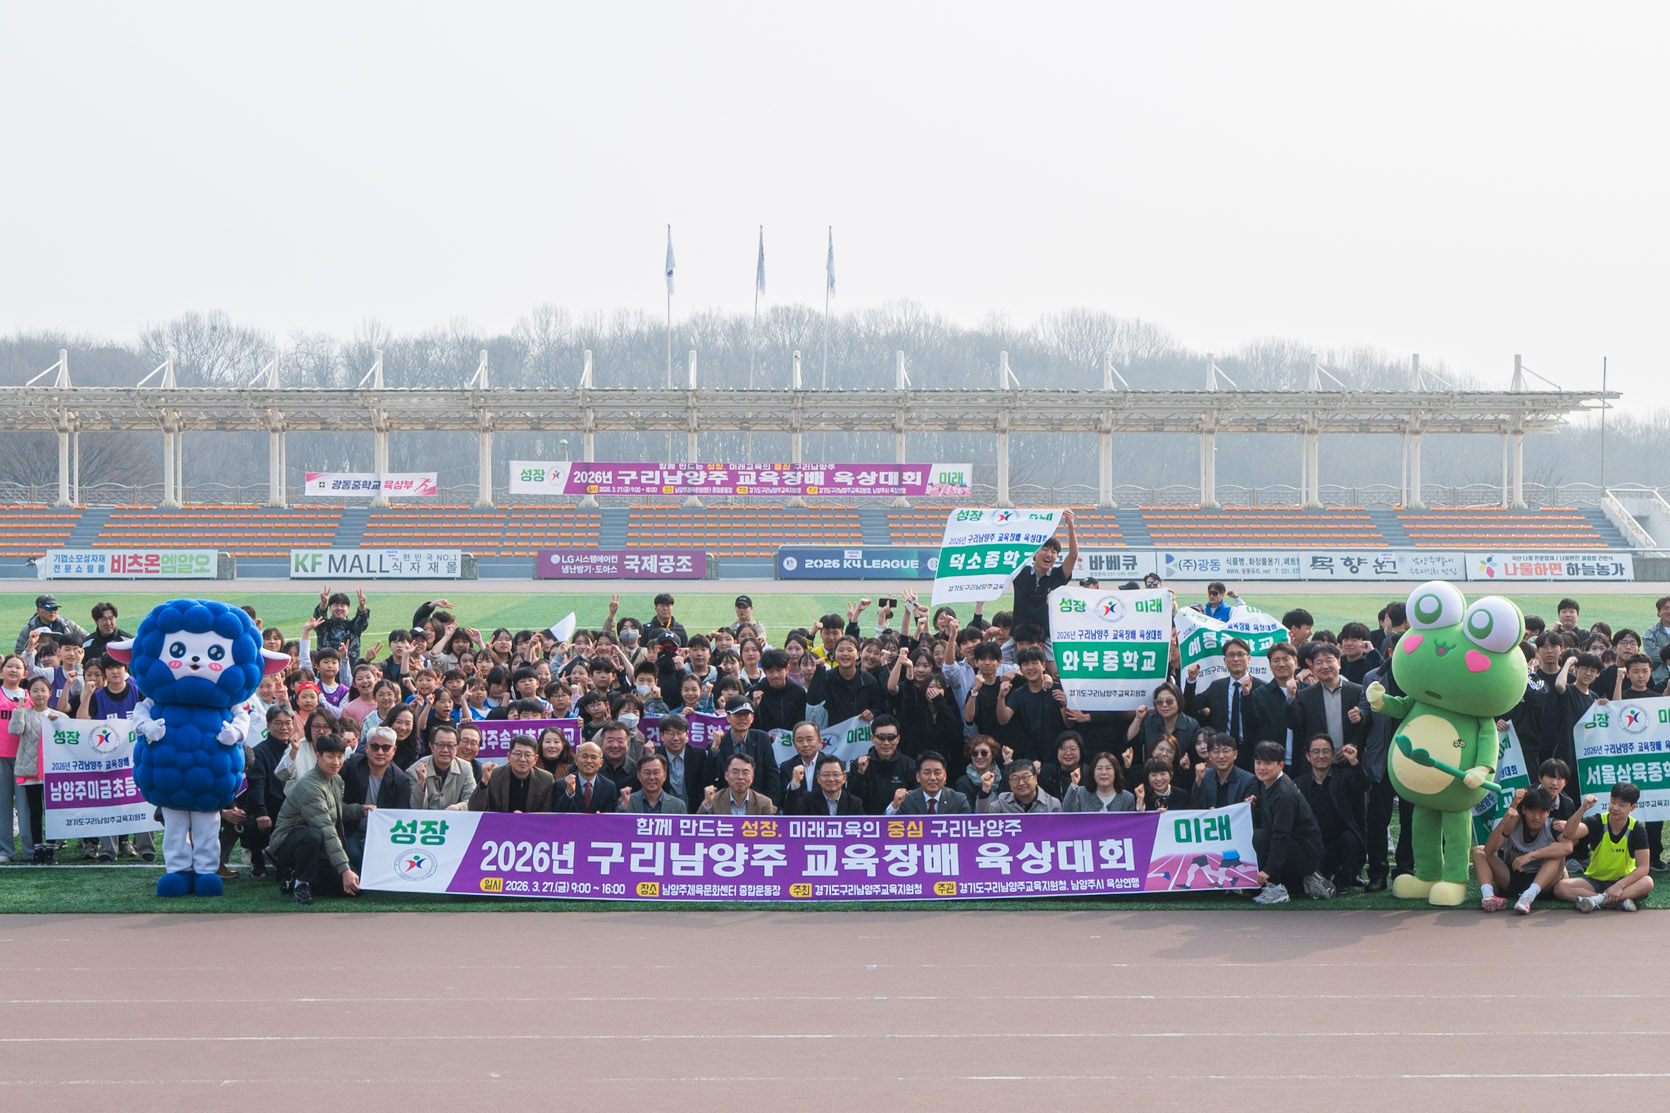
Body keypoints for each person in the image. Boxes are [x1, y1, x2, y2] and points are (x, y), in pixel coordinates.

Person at [266, 733, 369, 905]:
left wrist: (360, 810)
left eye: (339, 756)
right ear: (318, 756)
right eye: (330, 756)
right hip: (289, 843)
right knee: (312, 834)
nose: (336, 762)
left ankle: (293, 878)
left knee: (355, 889)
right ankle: (301, 884)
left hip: (316, 848)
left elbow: (336, 809)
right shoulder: (310, 786)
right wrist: (344, 870)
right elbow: (326, 828)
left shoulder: (335, 779)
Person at [1249, 740, 1332, 905]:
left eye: (1268, 763)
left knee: (1260, 838)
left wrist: (1268, 871)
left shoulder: (1283, 794)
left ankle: (1277, 889)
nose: (1262, 768)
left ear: (1281, 765)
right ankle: (1308, 880)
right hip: (1297, 847)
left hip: (1307, 853)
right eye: (1258, 763)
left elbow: (1280, 835)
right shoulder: (1269, 783)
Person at [1556, 783, 1655, 912]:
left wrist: (1619, 885)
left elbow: (1643, 867)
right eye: (1613, 802)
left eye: (1622, 805)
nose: (1615, 808)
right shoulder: (1598, 821)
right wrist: (1583, 809)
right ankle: (1616, 901)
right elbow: (1569, 833)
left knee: (1647, 882)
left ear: (1632, 807)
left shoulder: (1637, 829)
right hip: (1594, 880)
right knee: (1560, 887)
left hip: (1623, 881)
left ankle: (1595, 901)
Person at [1474, 787, 1570, 915]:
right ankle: (1488, 897)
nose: (1536, 817)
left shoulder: (1553, 825)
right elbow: (1489, 850)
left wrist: (1531, 856)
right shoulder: (1514, 823)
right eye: (1532, 811)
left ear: (1548, 813)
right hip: (1512, 877)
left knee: (1558, 854)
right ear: (1524, 810)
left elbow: (1567, 847)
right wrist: (1504, 820)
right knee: (1479, 851)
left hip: (1543, 883)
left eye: (1541, 812)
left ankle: (1528, 897)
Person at [1295, 733, 1369, 892]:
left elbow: (1363, 786)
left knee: (1351, 838)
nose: (1321, 756)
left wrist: (1354, 762)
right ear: (1308, 756)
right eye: (1315, 752)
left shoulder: (1344, 777)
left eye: (1326, 751)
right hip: (1313, 845)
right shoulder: (1298, 784)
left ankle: (1344, 882)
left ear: (1333, 755)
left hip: (1339, 843)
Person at [340, 725, 413, 869]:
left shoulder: (401, 780)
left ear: (394, 750)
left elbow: (401, 815)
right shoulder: (353, 764)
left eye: (386, 748)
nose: (380, 752)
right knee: (354, 854)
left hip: (383, 834)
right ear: (366, 747)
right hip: (353, 828)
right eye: (375, 747)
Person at [1186, 639, 1267, 769]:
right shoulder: (1217, 686)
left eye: (1240, 654)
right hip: (1221, 752)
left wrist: (1247, 695)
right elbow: (1190, 707)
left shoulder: (1262, 687)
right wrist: (1191, 681)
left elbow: (1258, 722)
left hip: (1251, 752)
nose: (1236, 659)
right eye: (1231, 655)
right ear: (1225, 660)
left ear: (1249, 658)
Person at [1285, 643, 1367, 764]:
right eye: (1318, 662)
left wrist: (1354, 745)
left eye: (1329, 661)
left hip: (1349, 761)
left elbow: (1366, 725)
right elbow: (1294, 725)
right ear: (1312, 666)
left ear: (1338, 662)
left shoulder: (1357, 691)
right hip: (1317, 765)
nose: (1325, 666)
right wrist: (1291, 697)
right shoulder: (1305, 695)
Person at [1009, 509, 1078, 634]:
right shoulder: (1020, 572)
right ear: (1035, 553)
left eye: (1054, 552)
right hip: (1019, 637)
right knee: (1000, 654)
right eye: (1045, 549)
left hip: (1045, 637)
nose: (1049, 554)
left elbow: (1073, 556)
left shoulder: (1058, 576)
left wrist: (1071, 526)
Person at [996, 647, 1066, 762]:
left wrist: (1064, 705)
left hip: (1057, 750)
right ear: (1020, 669)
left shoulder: (1057, 689)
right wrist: (1001, 697)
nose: (1030, 667)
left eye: (1034, 663)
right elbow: (1003, 719)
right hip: (1030, 753)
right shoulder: (1018, 693)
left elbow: (1069, 724)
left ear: (1043, 666)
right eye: (1025, 664)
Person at [708, 696, 781, 802]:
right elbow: (708, 777)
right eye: (737, 714)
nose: (742, 718)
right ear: (728, 717)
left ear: (752, 718)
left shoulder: (762, 739)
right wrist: (714, 749)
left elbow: (772, 773)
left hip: (758, 802)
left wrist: (773, 803)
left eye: (746, 714)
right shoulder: (718, 743)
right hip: (725, 803)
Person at [849, 716, 918, 814]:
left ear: (898, 739)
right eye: (881, 738)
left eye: (891, 738)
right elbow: (852, 801)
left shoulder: (910, 765)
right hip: (868, 823)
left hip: (900, 824)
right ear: (872, 738)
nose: (886, 743)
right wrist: (860, 774)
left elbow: (916, 801)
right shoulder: (859, 764)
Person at [470, 735, 555, 813]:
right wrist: (484, 782)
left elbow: (546, 814)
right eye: (518, 754)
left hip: (532, 827)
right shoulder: (494, 775)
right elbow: (474, 809)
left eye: (527, 755)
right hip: (499, 826)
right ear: (509, 756)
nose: (522, 759)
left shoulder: (546, 779)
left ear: (535, 759)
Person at [408, 724, 476, 810]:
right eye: (440, 744)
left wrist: (458, 808)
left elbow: (473, 800)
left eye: (450, 745)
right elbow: (414, 808)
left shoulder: (465, 768)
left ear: (457, 748)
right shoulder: (414, 770)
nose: (445, 750)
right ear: (431, 747)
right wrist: (421, 784)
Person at [778, 721, 839, 812]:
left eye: (809, 739)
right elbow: (785, 803)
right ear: (794, 744)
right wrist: (794, 785)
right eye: (799, 740)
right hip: (798, 819)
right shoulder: (787, 767)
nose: (805, 744)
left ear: (819, 741)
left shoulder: (831, 765)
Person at [1190, 730, 1258, 809]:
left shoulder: (1248, 780)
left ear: (1235, 754)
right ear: (1209, 755)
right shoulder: (1204, 776)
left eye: (1226, 751)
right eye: (1216, 751)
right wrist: (1198, 781)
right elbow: (1195, 807)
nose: (1221, 756)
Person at [890, 751, 972, 815]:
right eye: (927, 773)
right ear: (918, 776)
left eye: (937, 772)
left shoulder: (958, 800)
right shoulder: (907, 800)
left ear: (945, 776)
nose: (932, 778)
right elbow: (885, 826)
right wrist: (895, 805)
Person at [699, 753, 777, 815]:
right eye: (735, 772)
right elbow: (698, 828)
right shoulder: (714, 800)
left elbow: (768, 832)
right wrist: (707, 803)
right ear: (726, 775)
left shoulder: (764, 803)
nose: (740, 777)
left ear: (752, 777)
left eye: (745, 773)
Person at [553, 740, 619, 813]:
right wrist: (569, 793)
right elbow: (557, 813)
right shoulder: (562, 784)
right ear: (576, 760)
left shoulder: (609, 787)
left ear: (601, 763)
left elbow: (611, 816)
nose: (589, 761)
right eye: (584, 756)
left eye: (594, 757)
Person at [14, 594, 89, 655]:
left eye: (55, 608)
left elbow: (88, 639)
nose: (53, 611)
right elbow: (19, 653)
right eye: (49, 609)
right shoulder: (28, 630)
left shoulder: (69, 625)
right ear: (38, 610)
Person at [1061, 751, 1136, 812]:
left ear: (1115, 772)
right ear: (1093, 772)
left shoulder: (1128, 798)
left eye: (1108, 768)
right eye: (1099, 768)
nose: (1103, 772)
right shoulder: (1080, 793)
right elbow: (1067, 813)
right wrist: (1074, 784)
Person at [976, 759, 1060, 813]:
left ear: (1035, 779)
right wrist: (985, 790)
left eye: (1025, 777)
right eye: (1015, 779)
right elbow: (983, 818)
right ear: (1009, 784)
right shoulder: (1003, 801)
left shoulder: (1052, 804)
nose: (1021, 783)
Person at [794, 760, 866, 815]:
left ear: (844, 778)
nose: (831, 779)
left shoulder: (854, 803)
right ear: (818, 779)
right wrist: (794, 783)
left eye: (836, 774)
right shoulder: (808, 800)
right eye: (826, 775)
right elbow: (790, 816)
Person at [954, 735, 1006, 808]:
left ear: (993, 754)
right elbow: (967, 811)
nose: (979, 757)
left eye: (984, 753)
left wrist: (1008, 762)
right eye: (975, 753)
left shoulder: (1004, 776)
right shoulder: (962, 783)